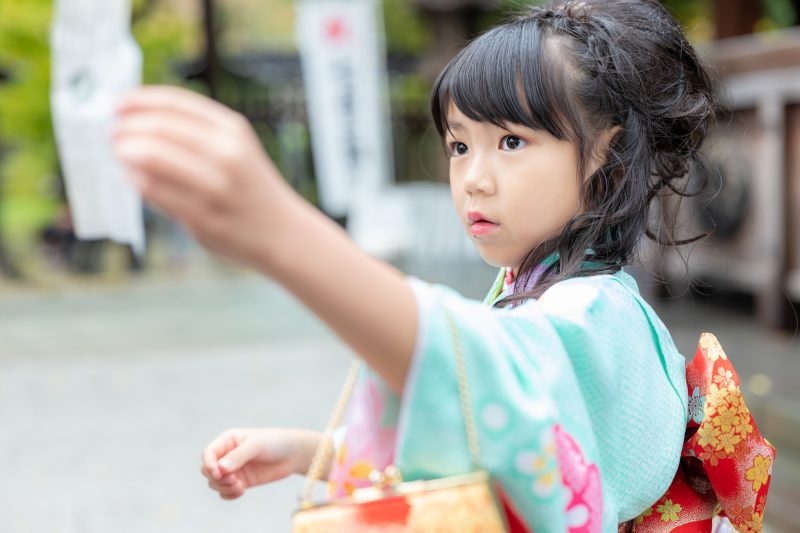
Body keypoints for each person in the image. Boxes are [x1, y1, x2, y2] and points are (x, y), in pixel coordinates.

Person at [112, 1, 773, 531]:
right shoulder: (548, 293)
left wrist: (283, 233)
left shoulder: (595, 314)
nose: (474, 179)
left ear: (609, 157)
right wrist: (310, 451)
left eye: (511, 141)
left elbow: (479, 377)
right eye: (460, 146)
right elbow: (477, 433)